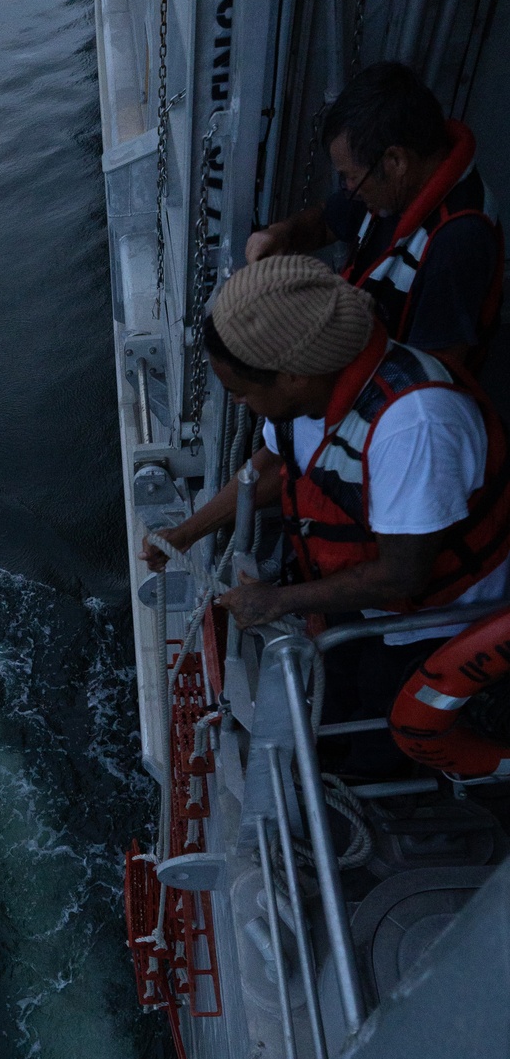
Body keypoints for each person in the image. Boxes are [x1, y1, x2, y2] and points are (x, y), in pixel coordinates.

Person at [142, 256, 510, 749]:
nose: (236, 403)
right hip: (366, 606)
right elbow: (272, 465)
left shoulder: (414, 426)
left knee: (367, 742)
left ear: (292, 375)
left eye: (241, 391)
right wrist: (185, 533)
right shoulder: (311, 392)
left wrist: (276, 601)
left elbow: (404, 574)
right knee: (329, 704)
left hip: (437, 623)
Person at [245, 64, 503, 366]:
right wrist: (283, 233)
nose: (348, 189)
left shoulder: (457, 241)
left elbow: (433, 377)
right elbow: (327, 222)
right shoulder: (394, 182)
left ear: (395, 161)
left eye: (351, 178)